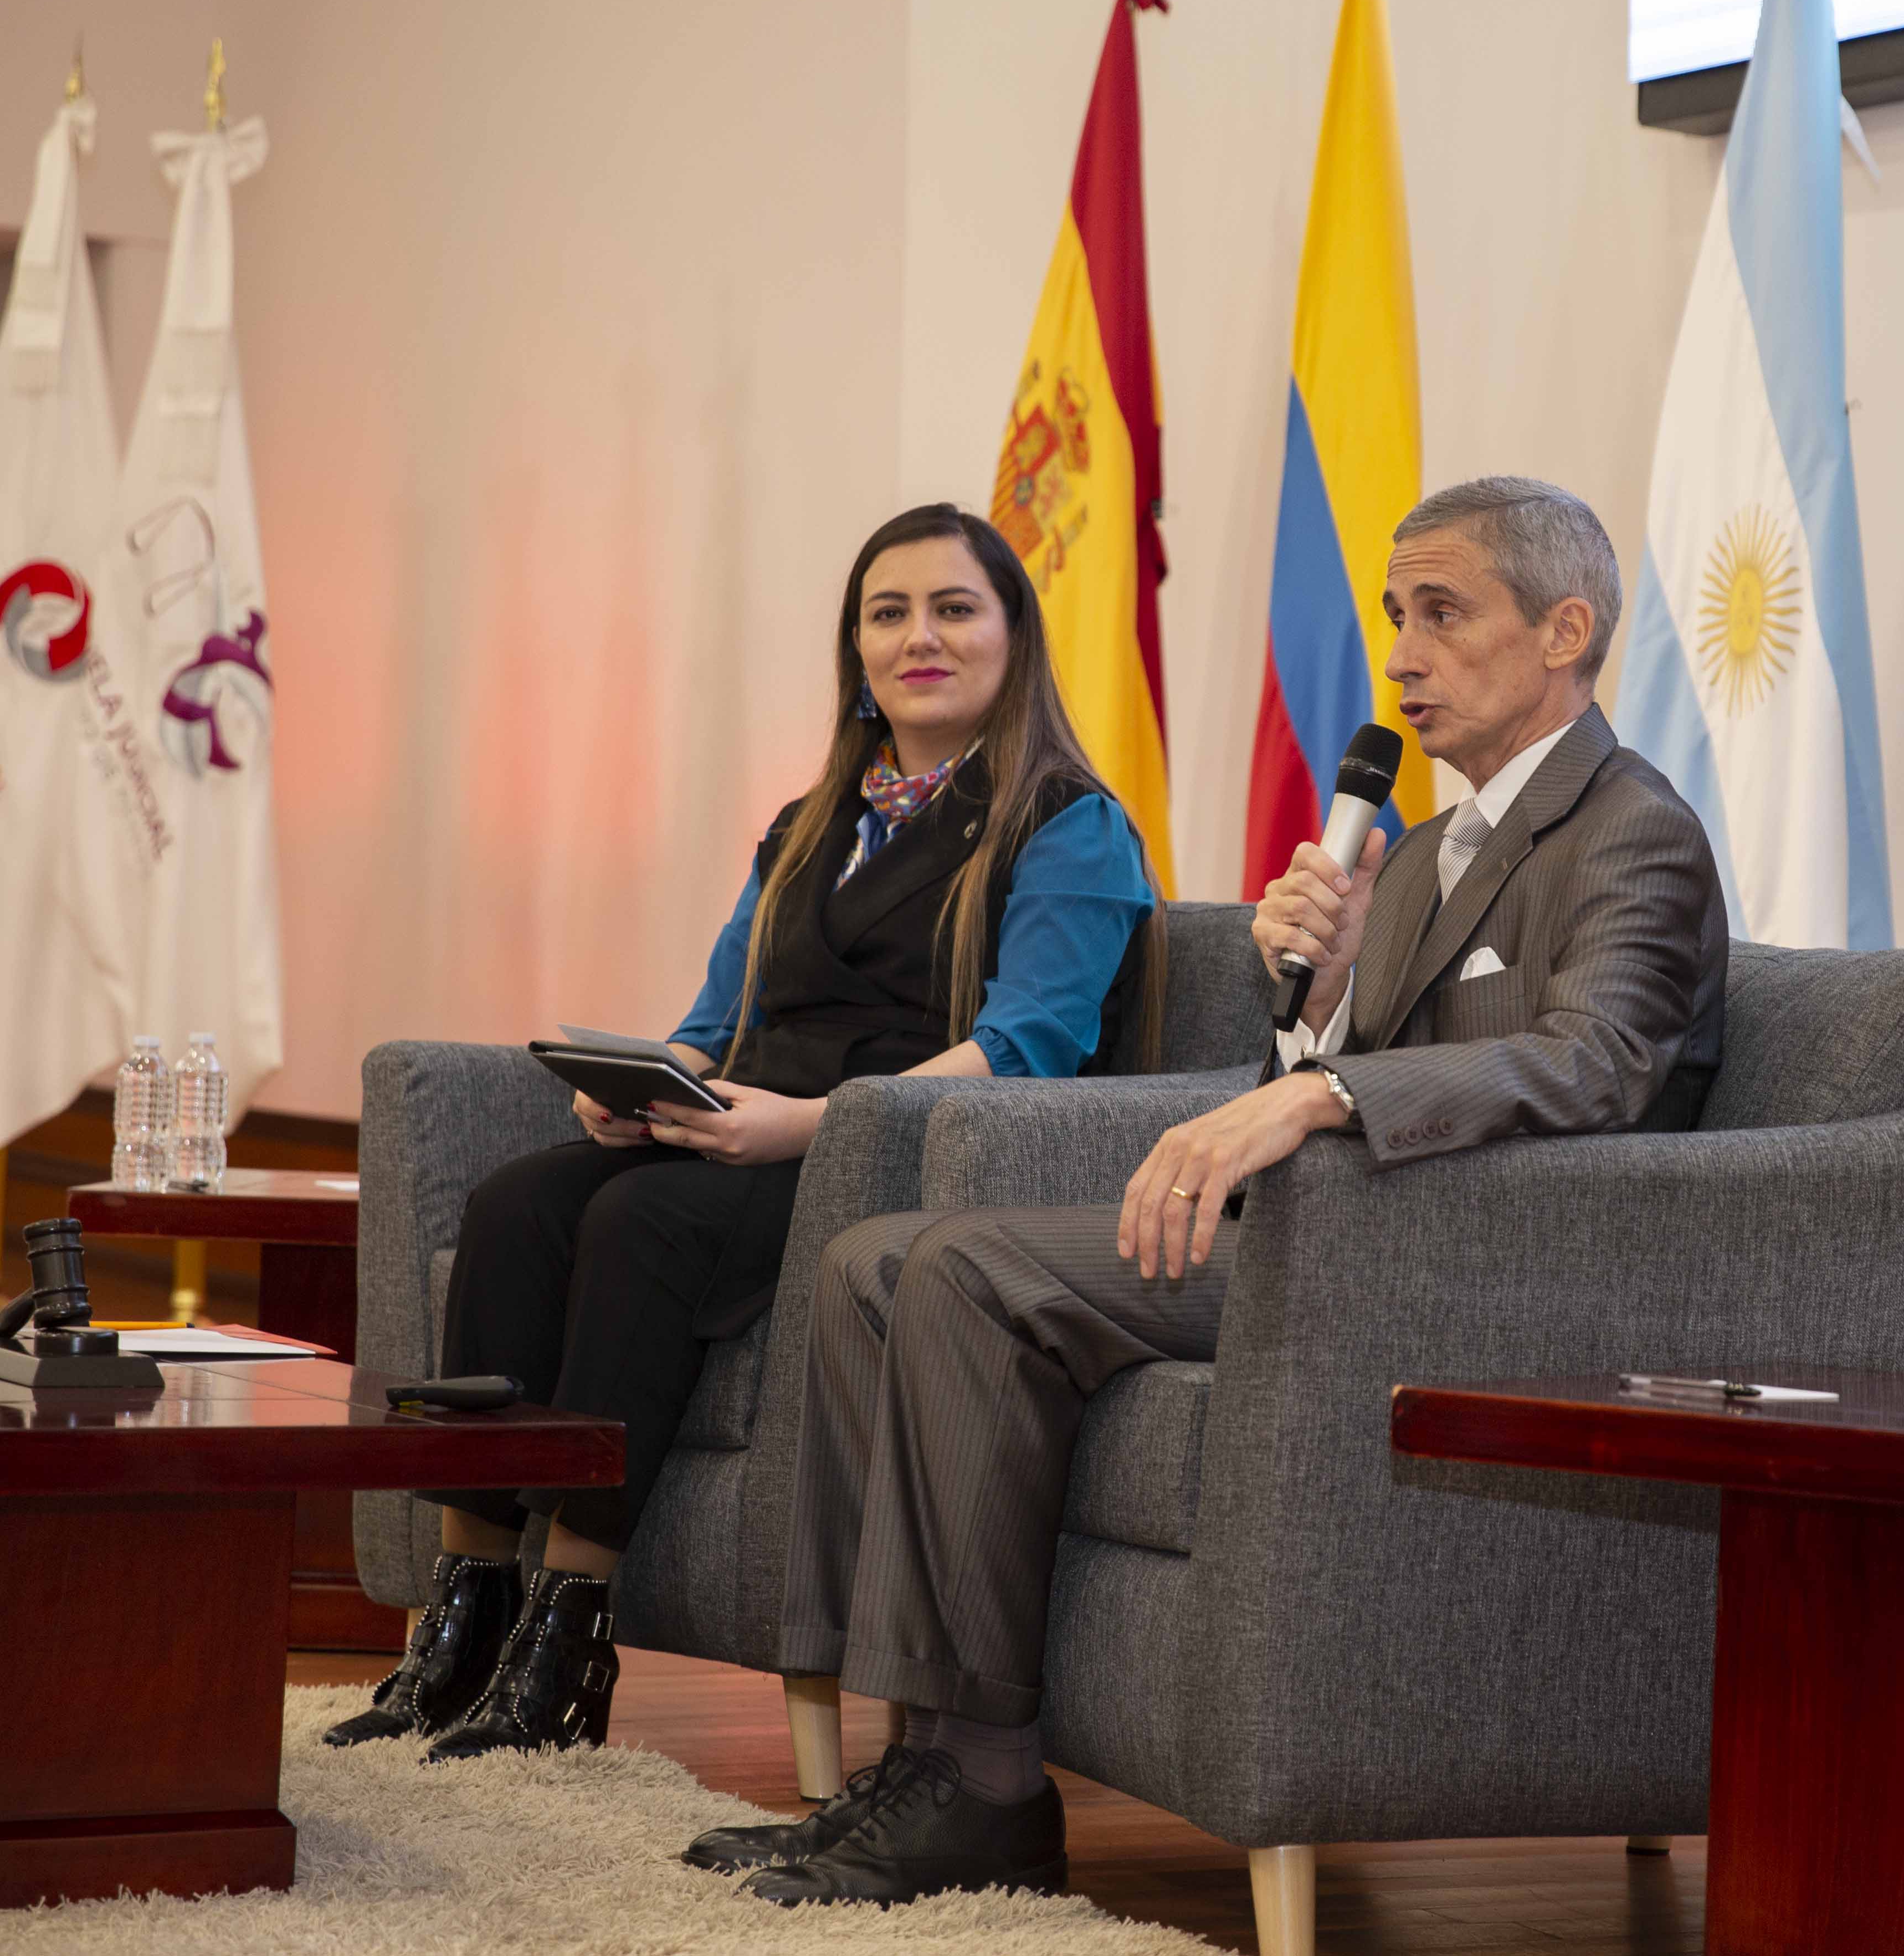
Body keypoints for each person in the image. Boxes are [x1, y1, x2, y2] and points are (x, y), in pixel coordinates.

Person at [700, 475, 1727, 1902]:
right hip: (1349, 1238)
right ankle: (919, 1754)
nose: (1403, 655)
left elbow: (1599, 1061)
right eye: (1392, 616)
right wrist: (1319, 1003)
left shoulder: (1631, 828)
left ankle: (987, 1782)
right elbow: (1343, 1063)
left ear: (1565, 631)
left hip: (1481, 1274)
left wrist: (1318, 1087)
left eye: (1442, 614)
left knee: (969, 1270)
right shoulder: (1423, 847)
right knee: (876, 1258)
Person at [322, 503, 1165, 1762]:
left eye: (952, 608)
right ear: (857, 649)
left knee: (641, 1218)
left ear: (1011, 636)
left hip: (888, 1153)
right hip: (746, 1122)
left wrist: (810, 1128)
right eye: (888, 612)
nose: (917, 636)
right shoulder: (805, 824)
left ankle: (568, 1634)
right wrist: (640, 1082)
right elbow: (717, 1019)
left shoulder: (1067, 823)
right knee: (515, 1205)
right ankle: (467, 1613)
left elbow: (1027, 1046)